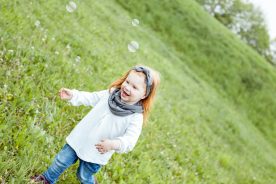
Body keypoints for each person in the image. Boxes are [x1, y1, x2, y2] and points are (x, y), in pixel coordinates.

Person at [30, 65, 161, 183]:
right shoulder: (111, 94)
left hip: (97, 152)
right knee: (61, 161)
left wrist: (113, 144)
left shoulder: (135, 117)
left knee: (83, 176)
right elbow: (92, 97)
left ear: (144, 94)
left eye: (134, 87)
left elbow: (130, 141)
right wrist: (74, 95)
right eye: (127, 82)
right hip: (79, 138)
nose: (127, 87)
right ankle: (47, 179)